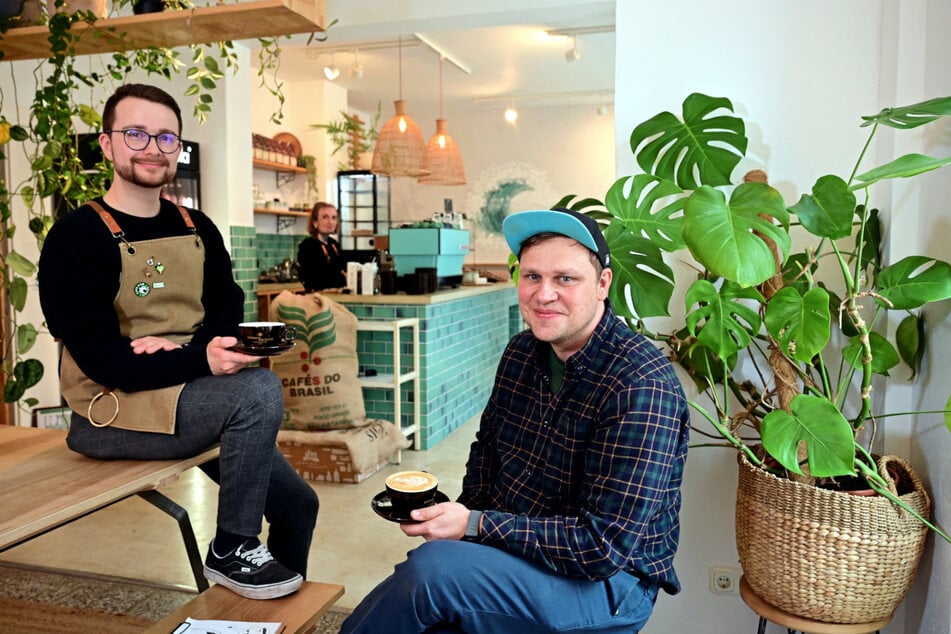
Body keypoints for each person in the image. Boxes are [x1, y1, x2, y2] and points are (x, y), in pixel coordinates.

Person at [341, 207, 690, 633]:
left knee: (431, 574)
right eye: (532, 277)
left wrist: (473, 525)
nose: (544, 294)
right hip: (522, 557)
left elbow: (601, 548)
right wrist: (461, 521)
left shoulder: (639, 384)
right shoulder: (523, 352)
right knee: (434, 601)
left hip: (610, 585)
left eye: (565, 279)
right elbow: (486, 452)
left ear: (602, 284)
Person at [37, 83, 318, 601]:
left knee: (298, 506)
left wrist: (191, 355)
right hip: (111, 412)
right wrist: (199, 359)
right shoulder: (76, 238)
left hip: (187, 398)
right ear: (107, 144)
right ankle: (233, 547)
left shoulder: (198, 227)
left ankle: (259, 619)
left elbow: (226, 312)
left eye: (167, 137)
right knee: (255, 393)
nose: (153, 148)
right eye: (136, 133)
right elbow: (102, 358)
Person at [297, 201, 347, 291]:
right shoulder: (307, 246)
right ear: (315, 222)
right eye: (325, 217)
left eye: (334, 218)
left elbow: (343, 269)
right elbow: (315, 277)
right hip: (317, 298)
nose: (330, 222)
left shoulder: (334, 244)